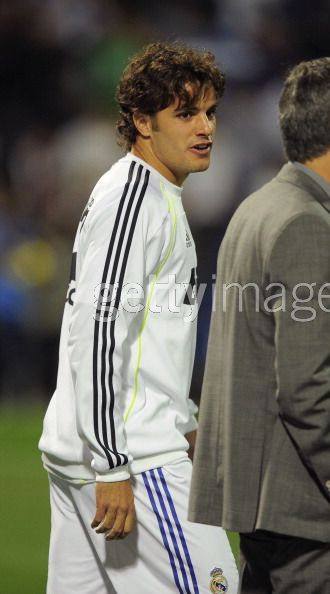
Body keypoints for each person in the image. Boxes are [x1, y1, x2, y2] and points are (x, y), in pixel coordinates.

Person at [188, 57, 330, 594]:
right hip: (309, 508)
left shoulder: (258, 207)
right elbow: (304, 385)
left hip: (263, 499)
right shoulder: (305, 223)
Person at [39, 41, 238, 594]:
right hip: (133, 458)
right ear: (142, 122)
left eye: (210, 112)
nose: (206, 127)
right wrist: (112, 463)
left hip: (100, 452)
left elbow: (150, 332)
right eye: (186, 113)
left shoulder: (151, 194)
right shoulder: (134, 200)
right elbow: (99, 331)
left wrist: (186, 418)